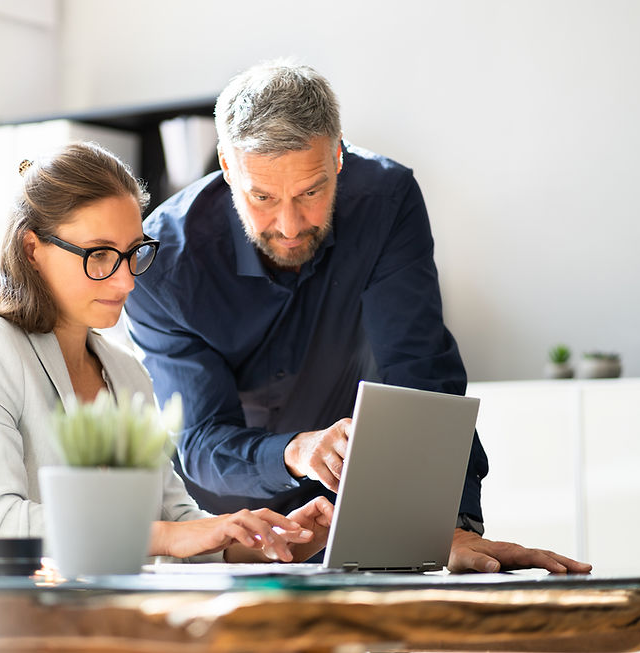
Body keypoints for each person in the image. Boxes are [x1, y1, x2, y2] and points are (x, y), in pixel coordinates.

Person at [124, 60, 591, 574]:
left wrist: (442, 523)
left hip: (375, 506)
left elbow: (420, 371)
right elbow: (201, 438)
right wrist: (294, 451)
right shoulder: (162, 262)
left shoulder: (387, 200)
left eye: (311, 192)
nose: (289, 224)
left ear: (338, 155)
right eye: (262, 198)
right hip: (239, 532)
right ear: (227, 167)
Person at [0, 142, 333, 577]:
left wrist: (268, 541)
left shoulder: (126, 372)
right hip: (9, 629)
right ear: (32, 250)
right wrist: (163, 536)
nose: (126, 281)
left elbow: (177, 523)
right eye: (99, 254)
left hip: (112, 625)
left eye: (132, 253)